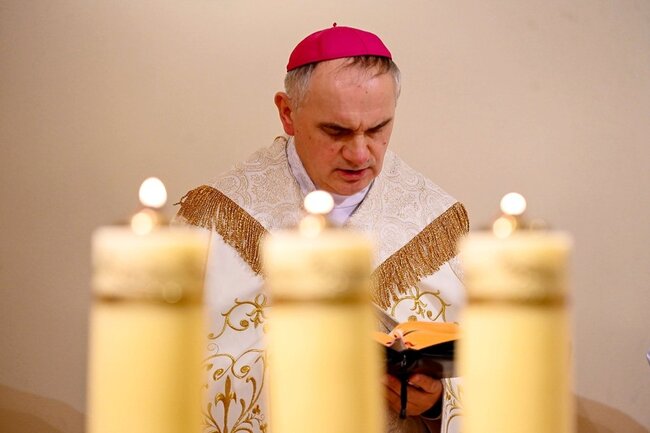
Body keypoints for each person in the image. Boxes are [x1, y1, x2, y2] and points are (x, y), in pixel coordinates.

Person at [176, 24, 468, 433]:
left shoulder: (436, 224)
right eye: (337, 131)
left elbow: (496, 375)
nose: (360, 154)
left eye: (378, 129)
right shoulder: (217, 220)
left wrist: (436, 403)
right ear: (288, 113)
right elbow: (167, 374)